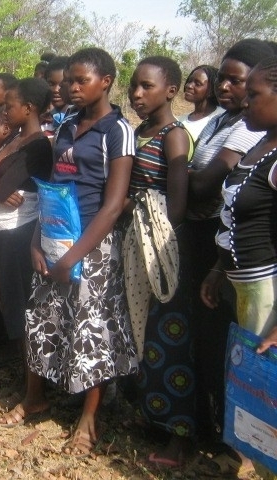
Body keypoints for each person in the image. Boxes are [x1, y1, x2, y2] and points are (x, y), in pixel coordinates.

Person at [2, 48, 139, 456]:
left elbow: (113, 206)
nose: (72, 88)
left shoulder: (118, 131)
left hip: (92, 245)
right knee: (40, 318)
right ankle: (35, 397)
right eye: (68, 82)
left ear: (106, 81)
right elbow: (51, 188)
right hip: (52, 238)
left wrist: (74, 257)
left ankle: (88, 418)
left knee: (91, 328)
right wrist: (36, 240)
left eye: (82, 80)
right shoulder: (65, 125)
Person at [186, 39, 272, 461]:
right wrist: (219, 268)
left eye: (254, 93)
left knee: (267, 387)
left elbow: (206, 186)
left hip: (266, 290)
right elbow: (235, 217)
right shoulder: (256, 147)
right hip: (238, 279)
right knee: (249, 381)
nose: (245, 101)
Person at [126, 56, 194, 467]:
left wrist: (144, 218)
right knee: (142, 332)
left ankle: (180, 438)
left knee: (168, 339)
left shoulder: (174, 136)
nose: (137, 94)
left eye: (146, 86)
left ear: (170, 91)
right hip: (133, 245)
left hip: (161, 249)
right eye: (134, 86)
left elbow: (178, 206)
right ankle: (151, 416)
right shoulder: (138, 132)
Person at [0, 78, 53, 402]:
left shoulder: (37, 147)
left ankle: (34, 391)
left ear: (29, 108)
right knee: (12, 306)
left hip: (21, 233)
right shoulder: (15, 139)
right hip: (3, 232)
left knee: (23, 308)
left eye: (10, 106)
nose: (4, 112)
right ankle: (26, 382)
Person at [176, 65, 224, 140]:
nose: (189, 86)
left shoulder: (221, 117)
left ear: (211, 90)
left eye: (197, 84)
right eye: (189, 81)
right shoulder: (180, 120)